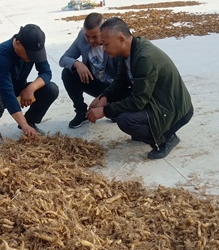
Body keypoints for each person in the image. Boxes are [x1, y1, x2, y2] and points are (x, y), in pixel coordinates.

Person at [86, 17, 193, 159]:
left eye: (105, 44)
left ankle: (166, 138)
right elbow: (121, 80)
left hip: (171, 107)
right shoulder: (126, 51)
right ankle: (147, 130)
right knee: (116, 102)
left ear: (121, 39)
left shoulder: (144, 57)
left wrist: (104, 111)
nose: (103, 49)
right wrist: (104, 97)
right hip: (154, 98)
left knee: (125, 120)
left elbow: (138, 101)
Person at [0, 24, 59, 141]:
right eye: (30, 54)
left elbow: (46, 73)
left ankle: (30, 121)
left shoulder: (35, 48)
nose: (33, 58)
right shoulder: (0, 55)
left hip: (19, 87)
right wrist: (24, 125)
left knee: (51, 89)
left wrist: (31, 88)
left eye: (35, 55)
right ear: (17, 43)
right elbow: (7, 92)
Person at [59, 12, 119, 128]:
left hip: (115, 87)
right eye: (88, 36)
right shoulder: (82, 37)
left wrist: (104, 97)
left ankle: (111, 109)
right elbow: (64, 59)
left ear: (104, 31)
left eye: (95, 36)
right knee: (68, 73)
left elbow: (124, 78)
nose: (90, 40)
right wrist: (77, 64)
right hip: (95, 81)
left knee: (122, 116)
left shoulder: (114, 41)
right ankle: (81, 112)